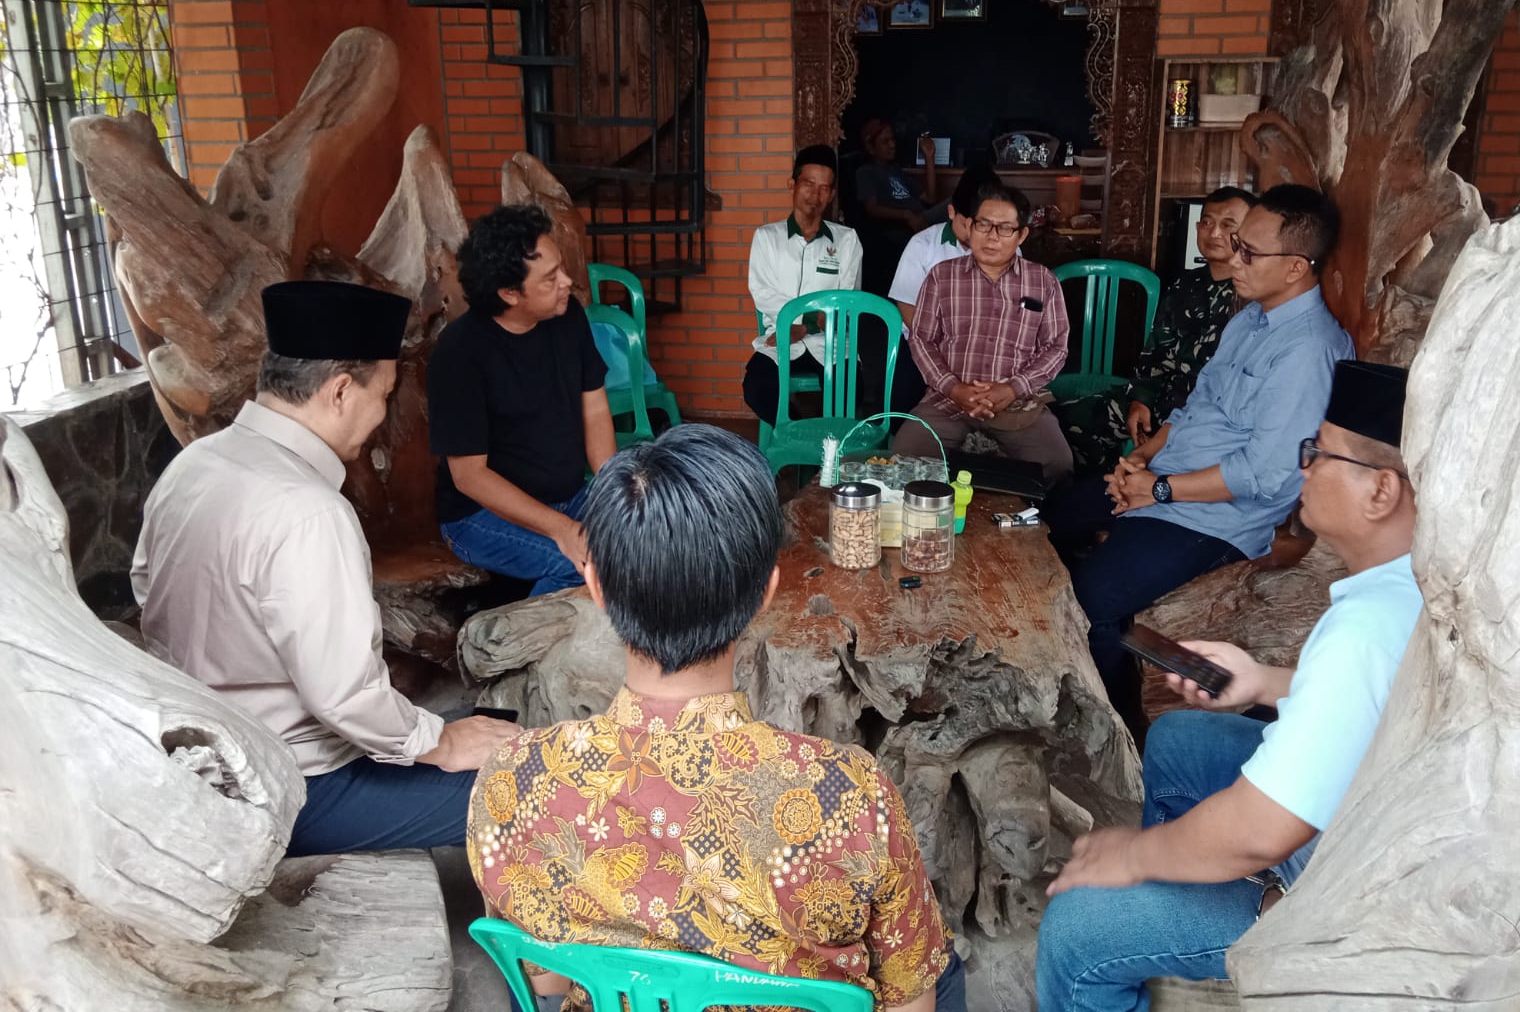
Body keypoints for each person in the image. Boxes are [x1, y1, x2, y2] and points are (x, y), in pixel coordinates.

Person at [467, 424, 966, 1012]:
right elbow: (910, 1002)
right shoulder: (850, 796)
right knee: (939, 966)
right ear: (765, 593)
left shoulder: (513, 781)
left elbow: (546, 980)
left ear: (595, 585)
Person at [1035, 361, 1421, 1011]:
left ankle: (1229, 907)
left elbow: (1260, 829)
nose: (1303, 467)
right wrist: (1263, 681)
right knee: (1183, 738)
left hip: (1349, 902)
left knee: (1079, 927)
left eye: (1318, 452)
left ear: (1381, 491)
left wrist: (1136, 857)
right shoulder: (1409, 582)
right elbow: (1380, 701)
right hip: (1360, 819)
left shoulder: (1368, 626)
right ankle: (1186, 907)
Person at [133, 280, 519, 856]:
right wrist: (443, 745)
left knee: (491, 722)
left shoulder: (193, 464)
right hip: (294, 785)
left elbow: (145, 588)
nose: (382, 414)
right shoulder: (309, 511)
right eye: (384, 394)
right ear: (340, 391)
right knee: (529, 783)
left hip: (207, 756)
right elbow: (345, 697)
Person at [1042, 185, 1353, 738]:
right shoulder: (1249, 321)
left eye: (1249, 251)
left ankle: (1113, 732)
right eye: (1237, 243)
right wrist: (1141, 458)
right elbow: (1194, 408)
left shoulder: (1308, 351)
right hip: (1166, 482)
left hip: (1214, 518)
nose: (1234, 257)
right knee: (1047, 517)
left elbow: (1263, 476)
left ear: (1295, 267)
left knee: (1088, 603)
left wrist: (1157, 489)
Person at [428, 205, 617, 598]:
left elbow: (596, 408)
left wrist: (611, 488)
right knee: (578, 567)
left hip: (570, 496)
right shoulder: (461, 352)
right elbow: (469, 477)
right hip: (479, 517)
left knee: (645, 540)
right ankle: (510, 637)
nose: (567, 282)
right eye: (550, 278)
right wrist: (562, 530)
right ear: (509, 293)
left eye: (561, 268)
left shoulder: (568, 317)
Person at [1057, 186, 1250, 475]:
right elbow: (1155, 352)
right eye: (1207, 222)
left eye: (1228, 225)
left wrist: (1165, 429)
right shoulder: (1185, 284)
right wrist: (1140, 400)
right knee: (1064, 422)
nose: (1214, 233)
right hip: (1155, 402)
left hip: (1200, 418)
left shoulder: (1249, 298)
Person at [891, 181, 1074, 481]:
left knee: (1057, 465)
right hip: (947, 402)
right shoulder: (942, 276)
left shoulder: (1042, 281)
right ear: (970, 226)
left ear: (1021, 235)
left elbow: (1056, 347)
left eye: (1005, 228)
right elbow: (923, 340)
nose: (992, 236)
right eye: (984, 225)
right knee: (904, 460)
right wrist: (954, 388)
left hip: (1017, 404)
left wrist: (1013, 388)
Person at [742, 144, 864, 426]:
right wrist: (798, 323)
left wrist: (805, 326)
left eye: (824, 188)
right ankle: (796, 433)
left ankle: (827, 446)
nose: (815, 195)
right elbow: (762, 292)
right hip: (781, 339)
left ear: (831, 194)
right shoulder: (767, 238)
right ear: (793, 185)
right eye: (809, 184)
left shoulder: (846, 240)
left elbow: (847, 301)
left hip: (832, 341)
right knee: (757, 388)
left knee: (849, 391)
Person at [875, 161, 997, 414]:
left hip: (981, 346)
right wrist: (939, 345)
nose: (976, 234)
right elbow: (906, 306)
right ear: (952, 212)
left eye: (983, 225)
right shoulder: (922, 245)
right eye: (967, 224)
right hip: (925, 341)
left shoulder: (1003, 247)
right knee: (902, 399)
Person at [856, 118, 944, 295]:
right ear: (871, 148)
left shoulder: (895, 170)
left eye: (892, 140)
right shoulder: (866, 172)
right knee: (955, 205)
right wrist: (906, 215)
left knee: (957, 203)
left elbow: (930, 197)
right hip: (905, 224)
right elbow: (872, 208)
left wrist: (930, 158)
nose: (892, 145)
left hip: (922, 218)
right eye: (885, 141)